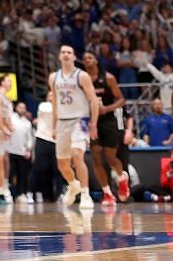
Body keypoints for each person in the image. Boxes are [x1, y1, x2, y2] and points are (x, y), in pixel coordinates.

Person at [45, 44, 99, 210]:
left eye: (69, 52)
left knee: (77, 154)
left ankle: (85, 194)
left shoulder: (81, 76)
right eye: (63, 52)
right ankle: (72, 184)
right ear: (59, 57)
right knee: (62, 164)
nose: (66, 54)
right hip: (62, 121)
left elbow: (93, 100)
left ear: (74, 57)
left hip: (79, 119)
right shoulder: (53, 77)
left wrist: (93, 124)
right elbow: (54, 104)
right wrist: (53, 126)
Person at [83, 52, 129, 204]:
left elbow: (121, 100)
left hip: (110, 121)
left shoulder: (108, 78)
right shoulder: (83, 80)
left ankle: (122, 177)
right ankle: (107, 193)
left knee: (109, 157)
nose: (87, 61)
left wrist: (107, 108)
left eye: (90, 58)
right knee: (96, 156)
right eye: (84, 59)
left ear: (96, 60)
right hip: (93, 122)